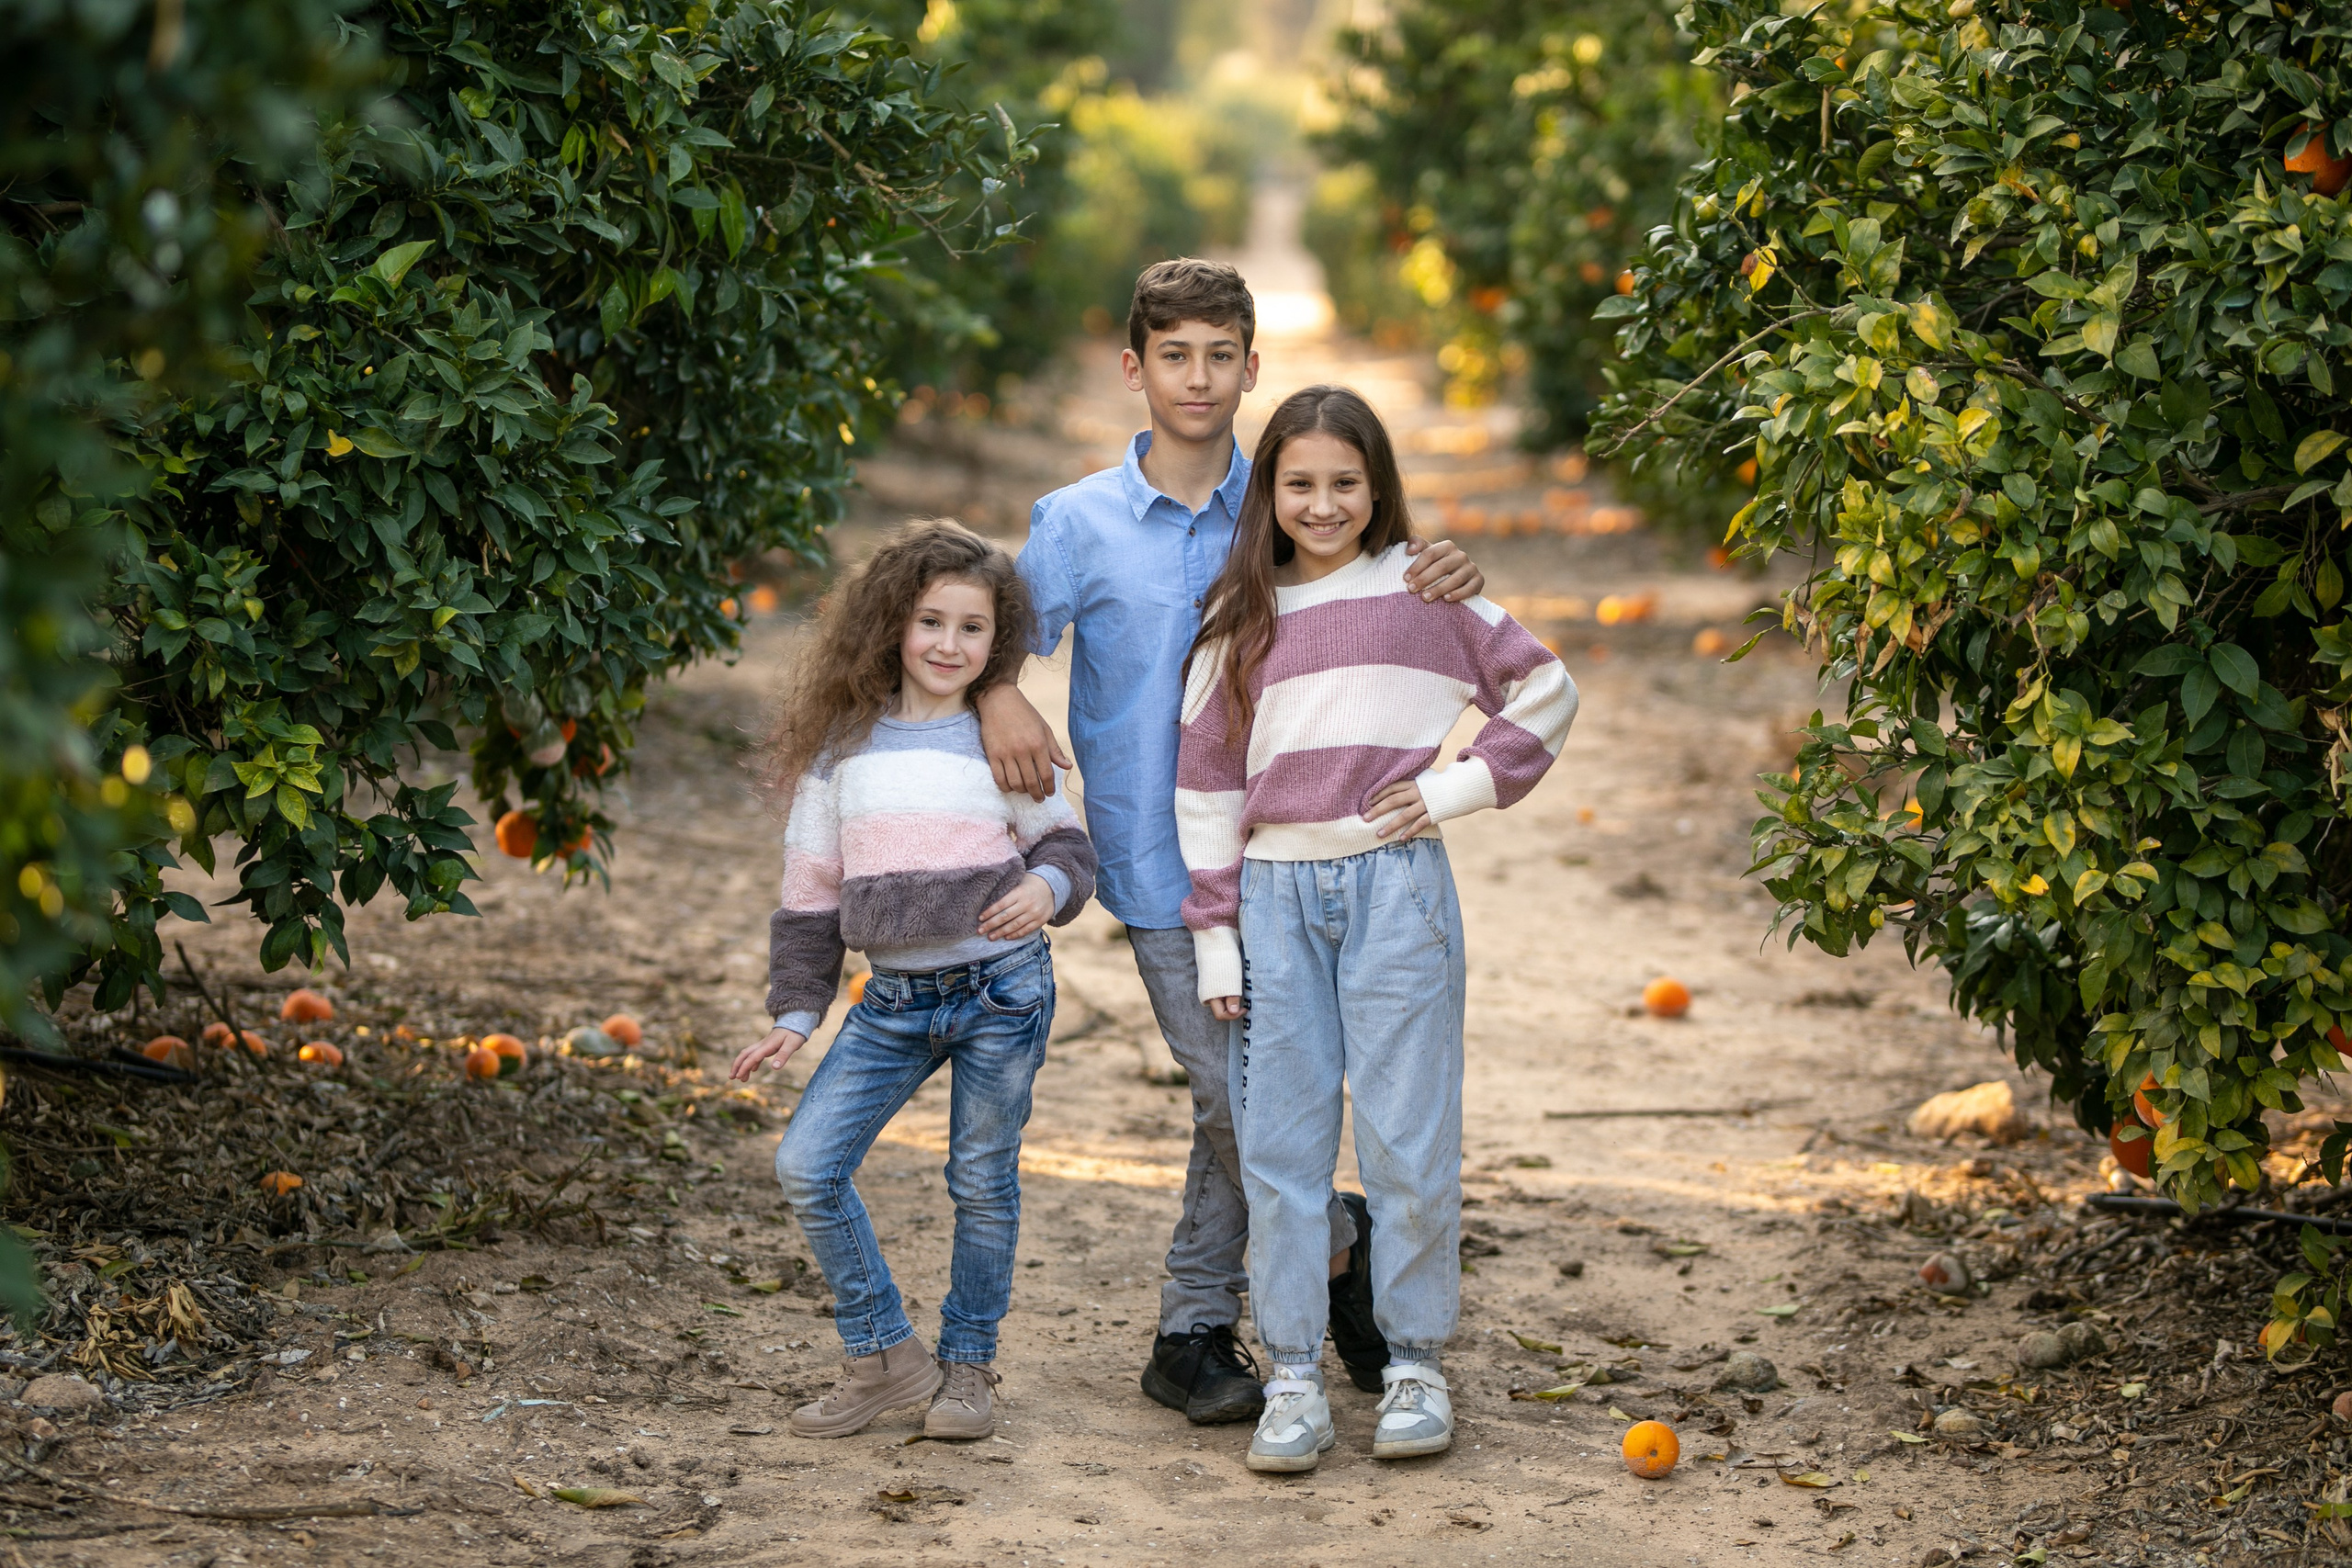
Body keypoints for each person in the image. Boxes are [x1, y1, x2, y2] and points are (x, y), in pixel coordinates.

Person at [972, 259, 1488, 1424]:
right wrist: (1003, 689)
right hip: (1161, 864)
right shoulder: (1078, 522)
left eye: (1220, 356)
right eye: (1174, 355)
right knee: (1240, 1097)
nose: (1198, 378)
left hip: (1299, 860)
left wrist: (1449, 572)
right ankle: (1326, 1257)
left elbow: (1382, 580)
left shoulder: (1290, 500)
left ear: (1253, 368)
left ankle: (1203, 1322)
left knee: (1254, 1095)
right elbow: (984, 628)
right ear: (1134, 368)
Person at [1177, 385, 1577, 1472]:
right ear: (1269, 492)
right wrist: (1216, 936)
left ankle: (1412, 1363)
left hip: (1398, 886)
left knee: (1409, 1138)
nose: (1321, 503)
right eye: (1298, 483)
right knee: (1282, 1149)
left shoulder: (1422, 593)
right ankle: (1296, 1376)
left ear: (1376, 486)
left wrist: (1453, 792)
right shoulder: (1237, 621)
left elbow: (1543, 688)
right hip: (1272, 899)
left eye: (1344, 482)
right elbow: (1205, 790)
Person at [732, 520, 1097, 1443]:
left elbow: (1066, 844)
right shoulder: (842, 751)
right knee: (807, 1166)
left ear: (996, 642)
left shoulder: (999, 739)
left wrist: (1044, 887)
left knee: (980, 1181)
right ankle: (886, 1355)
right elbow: (810, 896)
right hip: (889, 1003)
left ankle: (967, 1367)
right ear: (892, 623)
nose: (948, 645)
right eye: (930, 622)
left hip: (999, 991)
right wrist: (796, 1011)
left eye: (972, 629)